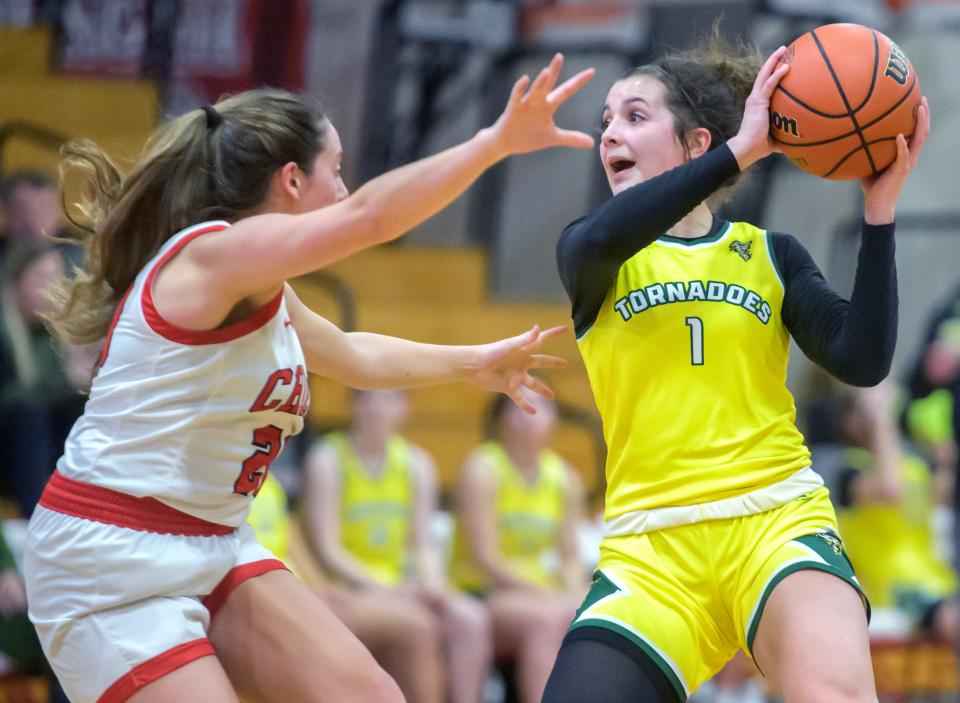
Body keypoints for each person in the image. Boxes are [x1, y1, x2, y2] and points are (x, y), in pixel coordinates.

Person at [21, 52, 595, 703]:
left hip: (211, 539)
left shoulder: (262, 282)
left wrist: (473, 362)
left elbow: (352, 353)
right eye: (338, 170)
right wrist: (492, 144)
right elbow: (369, 219)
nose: (346, 189)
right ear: (291, 181)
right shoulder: (213, 255)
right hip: (111, 559)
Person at [540, 32, 930, 703]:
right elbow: (605, 233)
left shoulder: (772, 254)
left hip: (775, 523)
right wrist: (741, 151)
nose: (609, 134)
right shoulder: (593, 255)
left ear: (697, 143)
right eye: (605, 121)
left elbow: (862, 360)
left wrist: (879, 211)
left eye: (635, 116)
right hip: (651, 549)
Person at [304, 389, 491, 703]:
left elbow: (424, 544)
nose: (377, 406)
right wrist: (385, 588)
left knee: (470, 618)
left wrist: (432, 584)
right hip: (347, 586)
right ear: (352, 404)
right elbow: (328, 550)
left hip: (400, 583)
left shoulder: (416, 463)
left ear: (405, 408)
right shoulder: (327, 459)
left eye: (389, 398)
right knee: (419, 625)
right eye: (368, 397)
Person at [246, 472, 447, 703]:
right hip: (267, 599)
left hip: (304, 592)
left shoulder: (271, 483)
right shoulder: (217, 489)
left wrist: (321, 587)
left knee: (420, 625)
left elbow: (294, 545)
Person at [450, 393, 588, 703]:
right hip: (482, 591)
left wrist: (574, 591)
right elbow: (485, 558)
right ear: (502, 418)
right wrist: (546, 593)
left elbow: (570, 555)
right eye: (521, 406)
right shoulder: (483, 468)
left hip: (537, 593)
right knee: (545, 619)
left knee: (594, 615)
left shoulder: (564, 477)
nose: (532, 414)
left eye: (543, 406)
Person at [836, 382, 958, 643]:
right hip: (894, 589)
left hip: (936, 579)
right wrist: (881, 418)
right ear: (849, 422)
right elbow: (890, 490)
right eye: (863, 410)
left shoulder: (913, 465)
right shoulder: (847, 471)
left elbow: (941, 499)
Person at [0, 246, 96, 517]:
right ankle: (34, 518)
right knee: (28, 414)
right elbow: (17, 395)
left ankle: (81, 508)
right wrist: (68, 381)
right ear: (16, 283)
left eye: (56, 280)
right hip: (12, 439)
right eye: (41, 279)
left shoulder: (54, 333)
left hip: (40, 441)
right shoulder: (5, 332)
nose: (51, 289)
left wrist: (78, 383)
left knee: (82, 408)